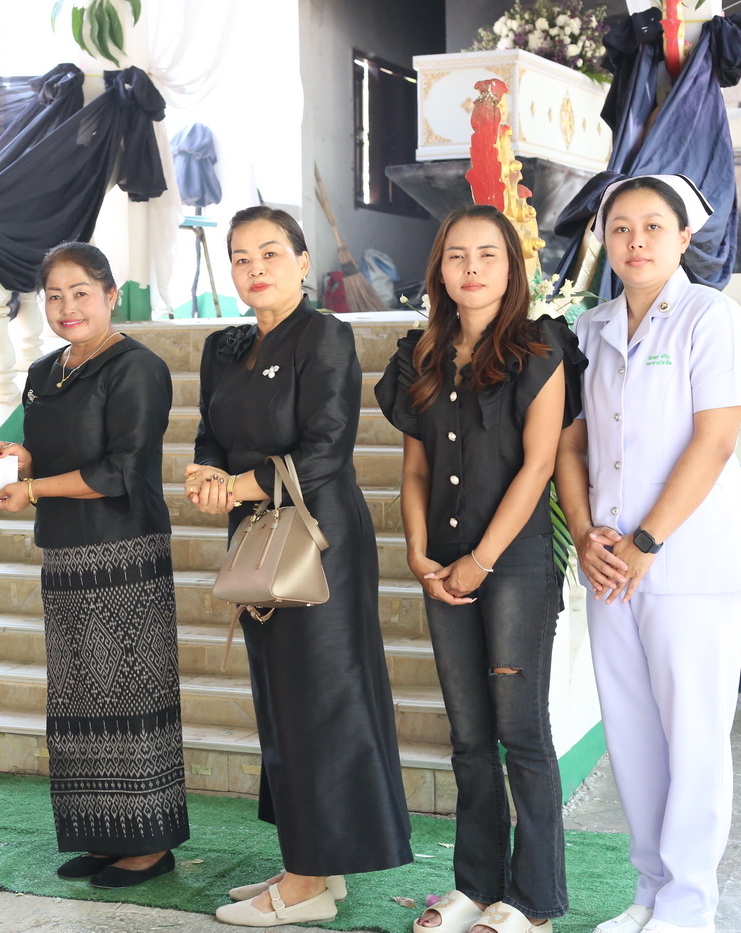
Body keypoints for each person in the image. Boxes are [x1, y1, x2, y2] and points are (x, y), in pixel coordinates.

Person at [187, 205, 412, 928]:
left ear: (304, 262)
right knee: (281, 698)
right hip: (256, 534)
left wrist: (239, 485)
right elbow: (209, 432)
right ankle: (314, 860)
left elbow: (326, 448)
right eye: (242, 257)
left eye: (271, 253)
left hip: (318, 539)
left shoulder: (325, 336)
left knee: (321, 699)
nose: (256, 269)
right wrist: (205, 473)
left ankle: (309, 880)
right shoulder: (223, 347)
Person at [554, 175, 741, 933]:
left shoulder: (711, 316)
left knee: (695, 738)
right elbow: (571, 444)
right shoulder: (590, 328)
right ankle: (648, 895)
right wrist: (586, 534)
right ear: (604, 240)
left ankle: (689, 905)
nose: (635, 241)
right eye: (620, 228)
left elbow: (716, 440)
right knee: (634, 736)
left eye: (652, 226)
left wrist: (646, 541)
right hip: (610, 567)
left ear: (683, 237)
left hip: (691, 564)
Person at [376, 205, 584, 933]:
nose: (471, 268)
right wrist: (418, 551)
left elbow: (539, 464)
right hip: (442, 565)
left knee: (520, 732)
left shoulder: (541, 347)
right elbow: (415, 469)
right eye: (457, 255)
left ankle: (532, 901)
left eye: (487, 254)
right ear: (439, 268)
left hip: (514, 566)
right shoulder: (421, 355)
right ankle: (475, 886)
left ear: (511, 266)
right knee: (468, 737)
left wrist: (481, 560)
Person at [0, 241, 188, 888]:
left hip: (124, 553)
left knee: (131, 694)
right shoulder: (44, 371)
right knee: (78, 697)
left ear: (109, 295)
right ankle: (103, 835)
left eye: (80, 293)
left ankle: (149, 846)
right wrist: (19, 461)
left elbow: (122, 470)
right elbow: (47, 453)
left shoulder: (138, 367)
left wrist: (34, 488)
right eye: (54, 295)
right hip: (66, 554)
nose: (67, 306)